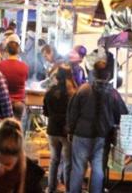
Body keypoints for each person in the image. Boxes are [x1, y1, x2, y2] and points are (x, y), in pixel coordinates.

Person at [66, 59, 128, 193]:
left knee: (77, 168)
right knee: (98, 169)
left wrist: (70, 130)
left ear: (93, 73)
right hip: (102, 136)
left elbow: (72, 112)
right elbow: (123, 114)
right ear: (109, 75)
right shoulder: (113, 94)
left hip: (81, 134)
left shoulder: (83, 89)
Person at [43, 64, 76, 193]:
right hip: (66, 131)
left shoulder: (49, 92)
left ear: (56, 76)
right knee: (68, 163)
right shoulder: (72, 93)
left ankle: (51, 188)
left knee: (54, 160)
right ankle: (68, 189)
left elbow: (45, 112)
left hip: (52, 130)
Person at [0, 40, 29, 120]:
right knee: (17, 127)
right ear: (18, 51)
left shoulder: (0, 65)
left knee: (4, 127)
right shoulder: (24, 66)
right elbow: (25, 80)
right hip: (19, 102)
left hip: (4, 102)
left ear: (7, 51)